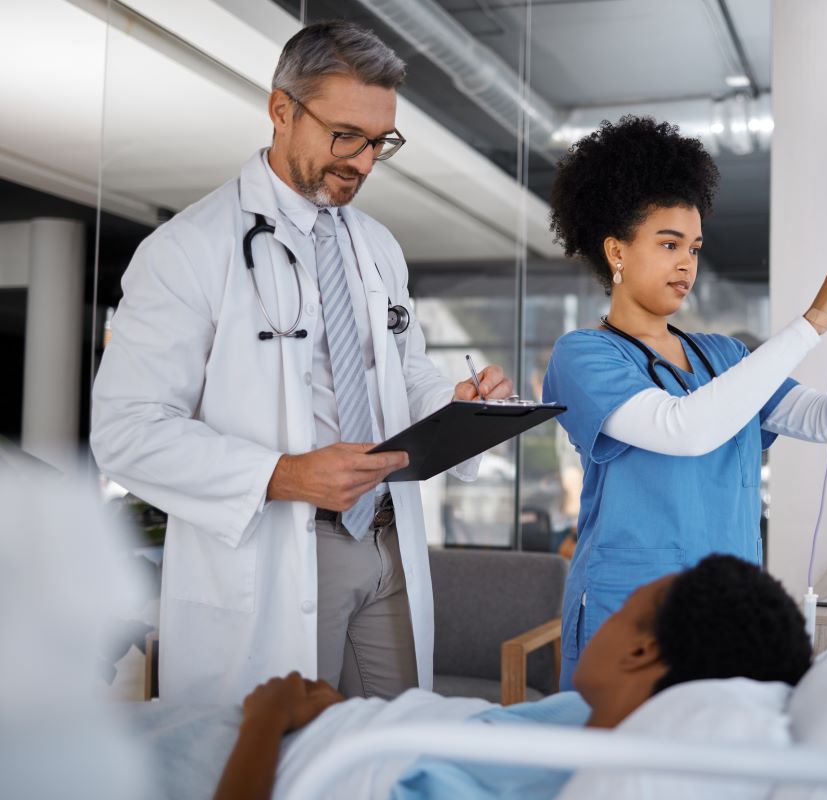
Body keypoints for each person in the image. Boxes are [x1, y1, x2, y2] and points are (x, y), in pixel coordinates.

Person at [90, 21, 513, 705]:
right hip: (279, 549)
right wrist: (283, 475)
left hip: (388, 541)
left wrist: (458, 405)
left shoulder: (378, 247)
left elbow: (402, 373)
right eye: (346, 136)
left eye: (381, 142)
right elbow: (126, 430)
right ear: (281, 109)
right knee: (280, 760)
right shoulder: (191, 248)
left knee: (390, 749)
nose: (365, 162)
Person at [540, 116, 827, 689]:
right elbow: (685, 429)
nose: (687, 264)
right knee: (629, 774)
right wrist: (813, 323)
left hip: (725, 616)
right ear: (616, 251)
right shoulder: (584, 356)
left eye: (695, 248)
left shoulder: (724, 356)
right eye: (669, 244)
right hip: (628, 613)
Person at [209, 554, 812, 800]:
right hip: (318, 723)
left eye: (624, 608)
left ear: (641, 653)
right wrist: (343, 712)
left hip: (246, 764)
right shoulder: (590, 715)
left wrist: (267, 720)